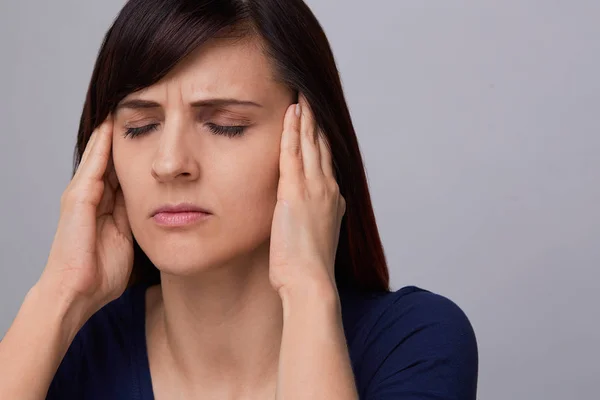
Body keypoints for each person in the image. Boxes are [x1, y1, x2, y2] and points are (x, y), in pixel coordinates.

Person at [0, 0, 478, 399]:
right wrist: (59, 293)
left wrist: (307, 289)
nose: (169, 163)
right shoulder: (69, 349)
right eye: (140, 127)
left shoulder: (415, 341)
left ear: (313, 142)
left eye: (225, 124)